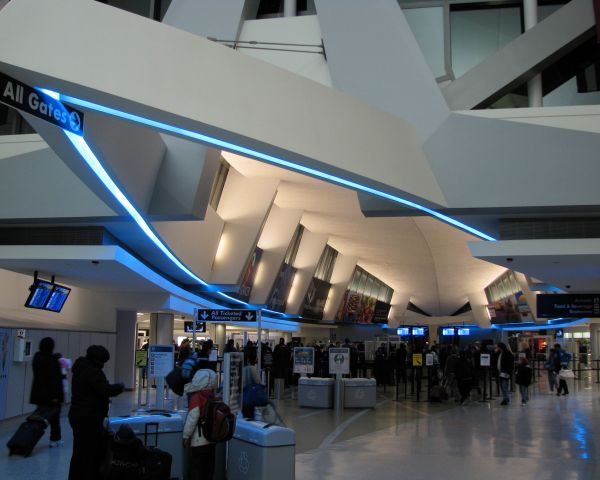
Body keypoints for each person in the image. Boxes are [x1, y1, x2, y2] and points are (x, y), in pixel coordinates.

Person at [68, 345, 125, 480]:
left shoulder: (80, 367)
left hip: (77, 414)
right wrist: (119, 387)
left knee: (80, 452)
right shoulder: (92, 371)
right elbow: (104, 389)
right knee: (90, 454)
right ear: (97, 360)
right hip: (89, 417)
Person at [183, 368, 218, 480]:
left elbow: (192, 419)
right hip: (212, 440)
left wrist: (185, 436)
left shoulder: (197, 398)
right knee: (208, 471)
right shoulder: (214, 397)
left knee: (196, 471)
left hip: (198, 442)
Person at [29, 337, 64, 447]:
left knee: (39, 417)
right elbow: (55, 380)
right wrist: (57, 396)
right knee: (55, 418)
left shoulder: (37, 357)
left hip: (39, 394)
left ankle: (28, 437)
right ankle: (55, 439)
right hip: (51, 395)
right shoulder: (52, 361)